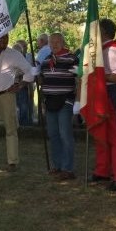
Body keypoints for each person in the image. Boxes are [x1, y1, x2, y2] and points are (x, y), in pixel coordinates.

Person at [0, 34, 35, 171]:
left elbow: (30, 71)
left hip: (6, 95)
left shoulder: (14, 54)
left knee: (11, 128)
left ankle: (12, 161)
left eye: (6, 38)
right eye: (1, 38)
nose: (4, 41)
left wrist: (21, 84)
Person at [86, 18, 116, 191]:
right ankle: (102, 170)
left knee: (115, 136)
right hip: (100, 94)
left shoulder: (111, 50)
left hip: (110, 94)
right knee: (100, 133)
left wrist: (98, 77)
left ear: (103, 32)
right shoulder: (99, 50)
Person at [38, 33, 78, 180]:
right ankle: (58, 165)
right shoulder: (46, 61)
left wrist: (76, 101)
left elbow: (79, 79)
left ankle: (68, 168)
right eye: (51, 42)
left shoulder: (72, 58)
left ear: (63, 42)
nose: (54, 45)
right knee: (53, 135)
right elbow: (43, 79)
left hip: (65, 101)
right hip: (49, 102)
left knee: (65, 135)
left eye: (57, 42)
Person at [12, 41, 33, 126]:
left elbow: (27, 72)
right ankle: (18, 123)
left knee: (23, 105)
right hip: (13, 85)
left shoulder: (24, 60)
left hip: (21, 86)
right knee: (16, 105)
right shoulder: (11, 61)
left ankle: (23, 123)